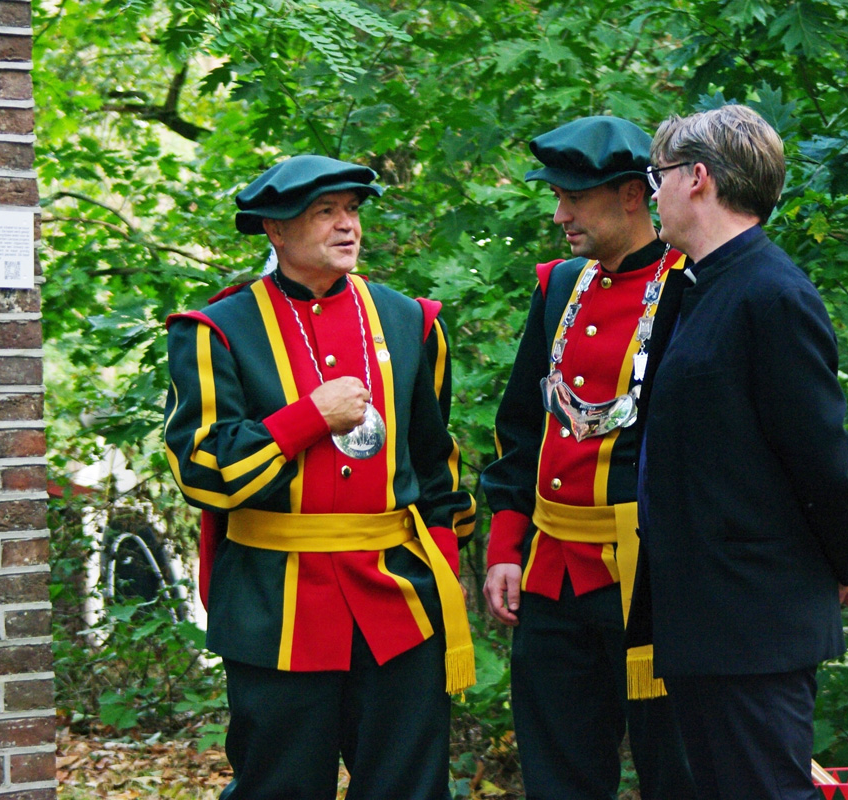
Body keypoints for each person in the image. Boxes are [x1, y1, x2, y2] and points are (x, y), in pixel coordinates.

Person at [163, 155, 477, 800]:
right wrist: (308, 419)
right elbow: (203, 470)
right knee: (279, 788)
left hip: (400, 600)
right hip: (274, 607)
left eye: (352, 211)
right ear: (275, 230)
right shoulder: (216, 329)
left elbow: (434, 462)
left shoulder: (411, 322)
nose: (347, 226)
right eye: (324, 213)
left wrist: (443, 568)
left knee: (409, 790)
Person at [626, 104, 848, 799]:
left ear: (697, 179)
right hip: (702, 613)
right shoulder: (695, 288)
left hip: (753, 618)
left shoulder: (773, 293)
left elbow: (818, 454)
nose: (652, 193)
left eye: (658, 176)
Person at [481, 116, 697, 800]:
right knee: (559, 779)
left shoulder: (695, 288)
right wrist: (506, 545)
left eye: (573, 198)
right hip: (551, 580)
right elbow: (521, 427)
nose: (560, 215)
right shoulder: (558, 288)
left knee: (680, 777)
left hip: (655, 582)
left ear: (633, 194)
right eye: (557, 197)